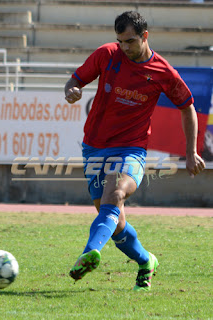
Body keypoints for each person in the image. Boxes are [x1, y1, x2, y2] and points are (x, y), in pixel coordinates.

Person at [64, 11, 205, 292]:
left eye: (129, 41)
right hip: (94, 146)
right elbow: (75, 80)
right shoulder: (107, 54)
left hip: (131, 148)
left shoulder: (163, 71)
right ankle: (146, 261)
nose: (124, 47)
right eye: (120, 41)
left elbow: (188, 106)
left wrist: (190, 152)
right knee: (113, 220)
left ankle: (90, 252)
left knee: (115, 194)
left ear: (145, 36)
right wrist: (72, 90)